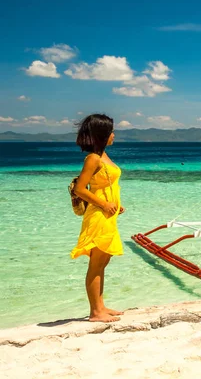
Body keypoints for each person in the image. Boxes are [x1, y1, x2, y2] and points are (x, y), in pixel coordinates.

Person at [71, 114, 125, 322]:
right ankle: (95, 312)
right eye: (111, 131)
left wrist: (116, 205)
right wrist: (104, 204)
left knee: (103, 262)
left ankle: (100, 306)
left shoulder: (103, 156)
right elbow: (79, 189)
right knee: (96, 263)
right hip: (98, 215)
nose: (113, 135)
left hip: (108, 215)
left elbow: (104, 186)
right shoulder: (93, 158)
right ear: (102, 135)